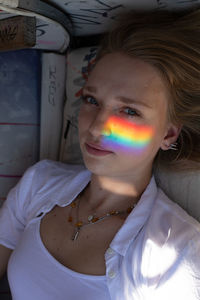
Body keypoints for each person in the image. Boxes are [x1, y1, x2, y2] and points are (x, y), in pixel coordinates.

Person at [0, 9, 200, 300]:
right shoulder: (39, 183)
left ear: (168, 134)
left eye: (129, 111)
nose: (97, 127)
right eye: (92, 100)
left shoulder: (176, 251)